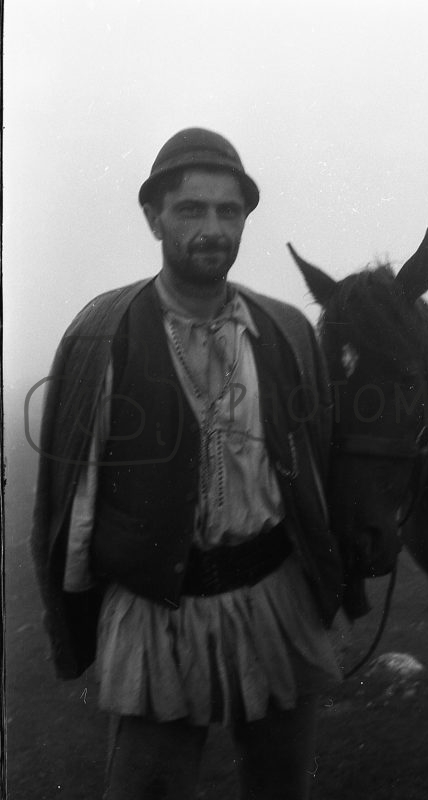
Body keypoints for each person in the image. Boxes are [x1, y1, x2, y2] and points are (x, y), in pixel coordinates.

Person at [31, 127, 351, 800]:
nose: (213, 228)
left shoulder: (287, 329)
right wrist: (83, 615)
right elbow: (72, 498)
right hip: (157, 614)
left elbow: (316, 470)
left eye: (228, 211)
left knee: (281, 784)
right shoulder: (103, 330)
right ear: (154, 218)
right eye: (191, 210)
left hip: (276, 596)